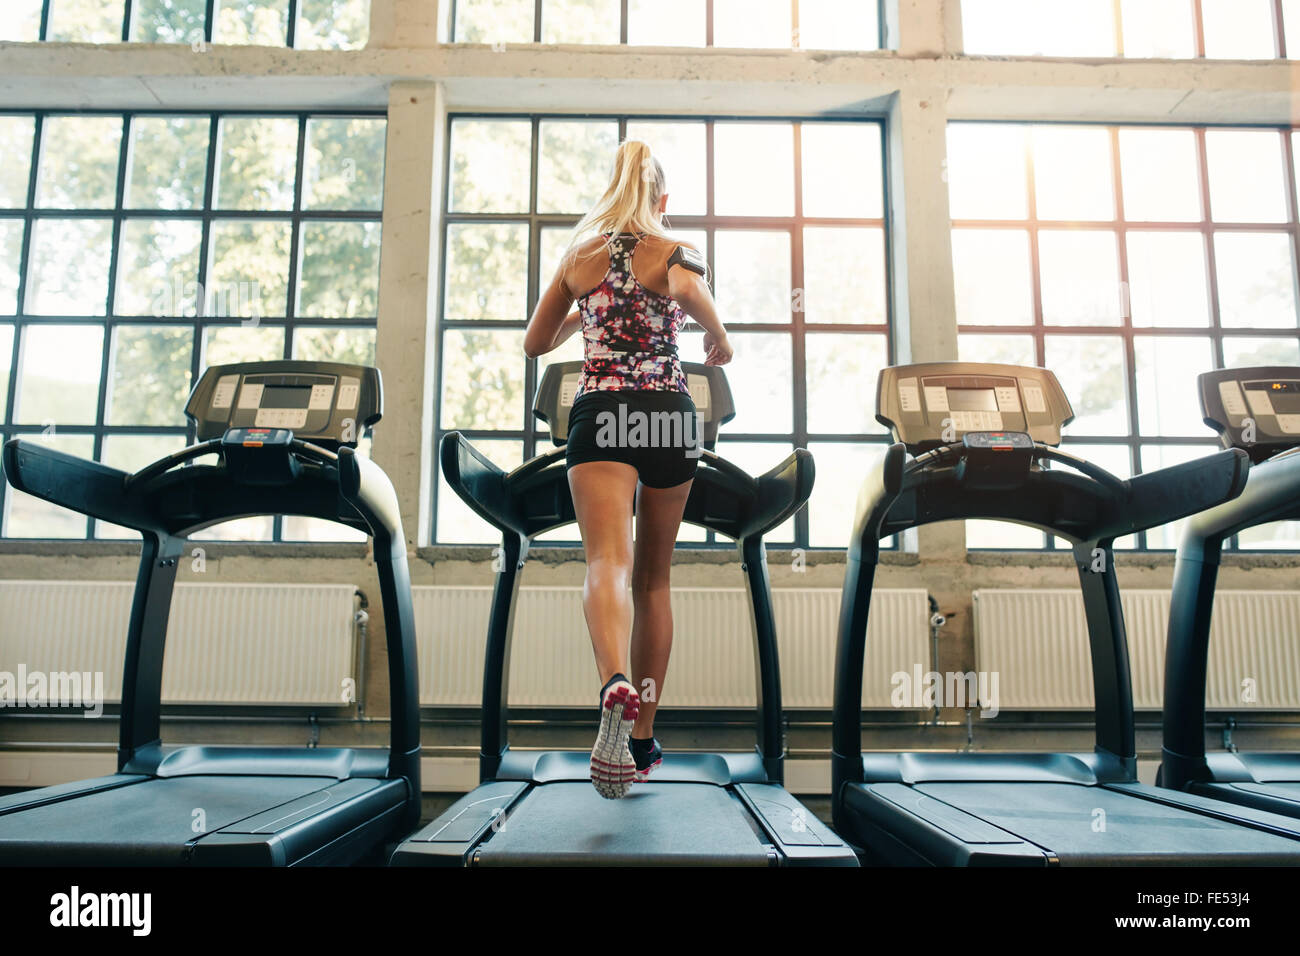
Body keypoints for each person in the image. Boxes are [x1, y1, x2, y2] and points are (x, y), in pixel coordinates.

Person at [523, 140, 733, 799]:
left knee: (606, 563)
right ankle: (643, 739)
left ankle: (613, 678)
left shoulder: (579, 256)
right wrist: (719, 334)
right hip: (669, 414)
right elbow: (688, 289)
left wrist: (585, 315)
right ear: (661, 199)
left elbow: (534, 342)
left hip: (602, 412)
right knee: (655, 578)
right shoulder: (671, 248)